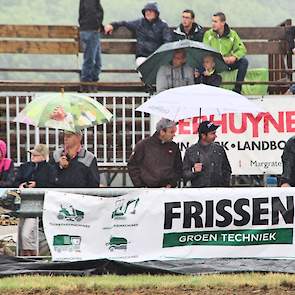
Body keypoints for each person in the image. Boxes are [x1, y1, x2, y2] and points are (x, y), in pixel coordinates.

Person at [104, 2, 172, 67]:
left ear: (156, 13)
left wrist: (162, 54)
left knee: (158, 68)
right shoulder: (139, 23)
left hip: (156, 56)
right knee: (144, 68)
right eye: (146, 11)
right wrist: (112, 25)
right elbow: (124, 23)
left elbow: (167, 40)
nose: (148, 13)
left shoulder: (163, 25)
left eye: (150, 11)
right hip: (142, 56)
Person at [15, 144, 52, 256]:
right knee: (22, 236)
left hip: (38, 205)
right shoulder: (25, 166)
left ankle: (32, 260)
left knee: (27, 235)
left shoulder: (49, 169)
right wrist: (20, 185)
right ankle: (26, 260)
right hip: (22, 202)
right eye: (33, 154)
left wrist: (37, 184)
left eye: (36, 154)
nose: (33, 156)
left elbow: (51, 185)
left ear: (43, 156)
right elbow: (16, 180)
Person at [127, 118, 182, 188]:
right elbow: (132, 165)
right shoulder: (143, 145)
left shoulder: (174, 147)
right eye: (171, 132)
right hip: (147, 190)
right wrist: (140, 185)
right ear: (162, 132)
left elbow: (178, 168)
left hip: (168, 190)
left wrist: (172, 183)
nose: (174, 135)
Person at [203, 12, 248, 94]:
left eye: (215, 22)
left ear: (223, 23)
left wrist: (234, 57)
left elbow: (242, 49)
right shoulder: (208, 34)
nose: (213, 24)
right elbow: (205, 51)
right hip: (215, 63)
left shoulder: (232, 34)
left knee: (244, 61)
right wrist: (218, 58)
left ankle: (237, 90)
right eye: (212, 21)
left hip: (228, 62)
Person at [183, 121, 232, 187]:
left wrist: (224, 186)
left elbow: (227, 170)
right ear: (203, 135)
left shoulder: (219, 149)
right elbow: (184, 173)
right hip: (199, 191)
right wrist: (194, 171)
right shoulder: (191, 151)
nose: (215, 136)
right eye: (212, 133)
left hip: (218, 190)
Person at [79, 0, 104, 92]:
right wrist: (97, 25)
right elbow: (91, 13)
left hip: (91, 30)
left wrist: (99, 26)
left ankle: (91, 84)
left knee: (96, 62)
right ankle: (86, 85)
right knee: (90, 60)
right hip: (91, 30)